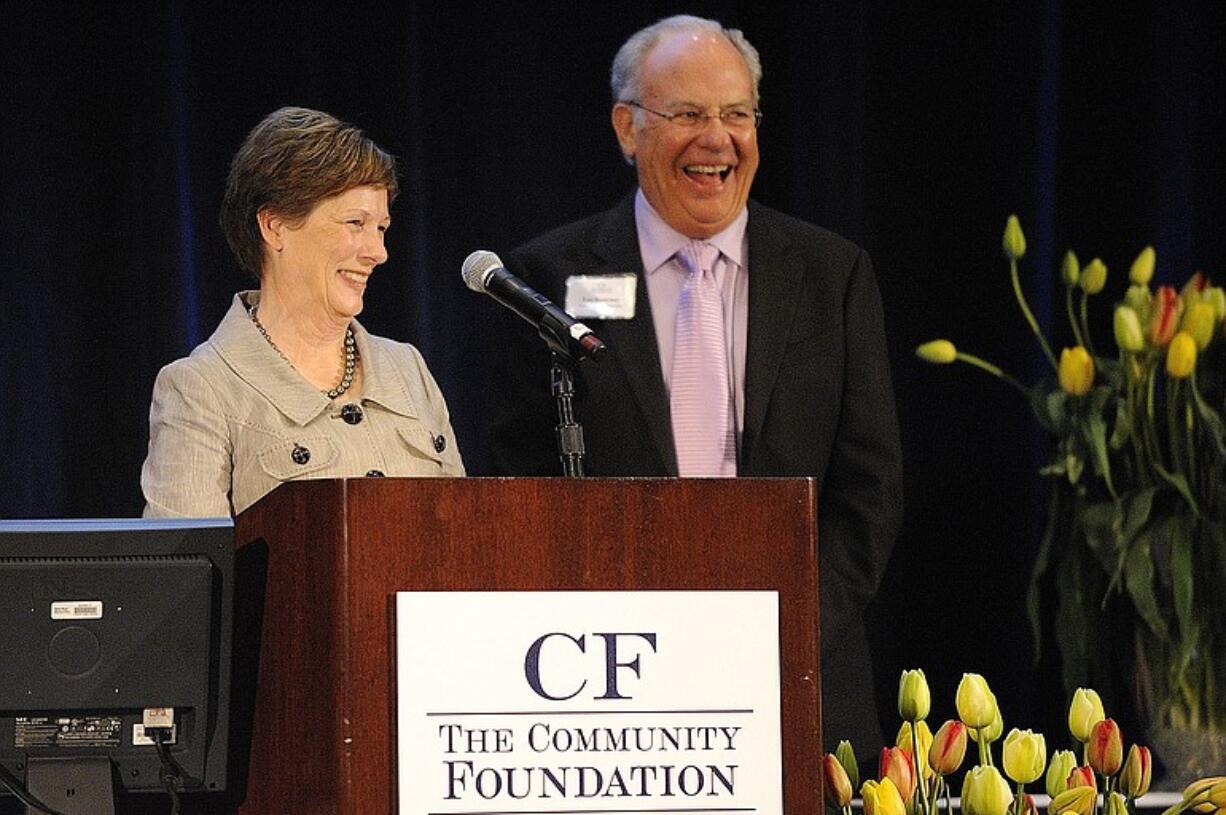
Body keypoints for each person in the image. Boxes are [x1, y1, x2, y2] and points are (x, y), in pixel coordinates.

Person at [489, 16, 902, 752]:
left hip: (802, 696)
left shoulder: (831, 274)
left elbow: (869, 491)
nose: (718, 139)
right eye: (686, 114)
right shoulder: (548, 280)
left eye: (737, 114)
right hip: (613, 702)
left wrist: (789, 634)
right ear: (628, 128)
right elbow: (518, 491)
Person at [142, 106, 464, 518]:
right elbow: (190, 577)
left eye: (380, 228)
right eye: (354, 222)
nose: (377, 253)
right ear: (274, 226)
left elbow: (462, 546)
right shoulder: (201, 389)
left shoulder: (408, 369)